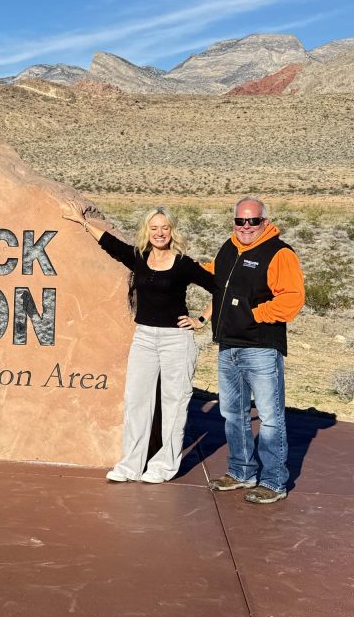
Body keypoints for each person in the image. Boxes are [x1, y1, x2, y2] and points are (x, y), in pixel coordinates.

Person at [62, 200, 215, 483]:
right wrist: (83, 223)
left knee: (173, 404)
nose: (159, 233)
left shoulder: (184, 264)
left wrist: (202, 320)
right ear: (147, 230)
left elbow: (219, 288)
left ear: (172, 231)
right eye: (154, 228)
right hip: (144, 337)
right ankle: (130, 465)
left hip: (176, 341)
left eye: (164, 228)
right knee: (137, 402)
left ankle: (163, 467)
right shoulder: (139, 257)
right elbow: (111, 245)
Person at [204, 197, 304, 504]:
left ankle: (273, 481)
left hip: (260, 348)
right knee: (233, 414)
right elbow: (215, 281)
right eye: (240, 221)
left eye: (253, 221)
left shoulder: (279, 253)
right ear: (233, 221)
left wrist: (254, 315)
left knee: (270, 417)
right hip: (228, 347)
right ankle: (241, 472)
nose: (246, 227)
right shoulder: (228, 249)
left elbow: (292, 299)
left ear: (264, 221)